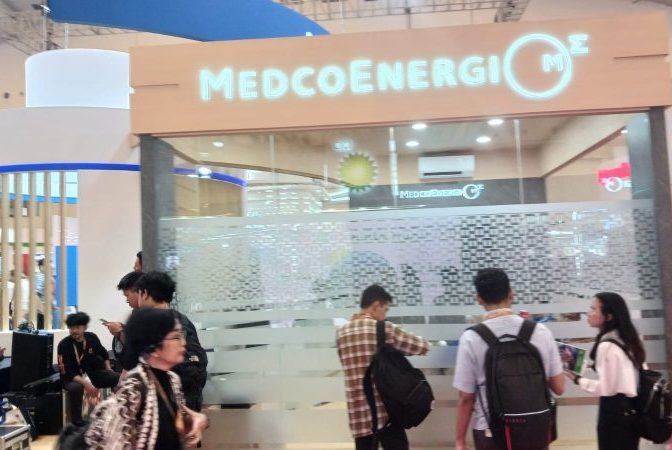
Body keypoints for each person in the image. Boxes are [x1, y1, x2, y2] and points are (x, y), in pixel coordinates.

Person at [453, 268, 565, 450]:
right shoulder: (541, 332)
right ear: (511, 293)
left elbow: (466, 398)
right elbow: (559, 387)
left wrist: (460, 441)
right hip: (536, 428)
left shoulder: (471, 338)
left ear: (479, 298)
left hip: (491, 431)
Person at [85, 307, 208, 449]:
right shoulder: (134, 388)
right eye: (176, 337)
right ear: (153, 347)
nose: (184, 342)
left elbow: (173, 422)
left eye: (182, 335)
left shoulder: (171, 379)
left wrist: (199, 419)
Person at [336, 284, 429, 450]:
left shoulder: (341, 333)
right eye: (385, 310)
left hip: (359, 419)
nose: (385, 315)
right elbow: (421, 346)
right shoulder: (383, 328)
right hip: (386, 415)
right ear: (376, 305)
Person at [564, 292, 645, 450]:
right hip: (632, 409)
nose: (588, 312)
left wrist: (578, 379)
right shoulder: (630, 339)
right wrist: (587, 366)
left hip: (614, 412)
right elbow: (625, 372)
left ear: (608, 316)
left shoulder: (607, 345)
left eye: (593, 308)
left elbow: (605, 388)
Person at [126, 271, 208, 411]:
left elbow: (130, 360)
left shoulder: (150, 322)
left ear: (144, 294)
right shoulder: (182, 319)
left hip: (164, 397)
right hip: (191, 395)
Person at [57, 312, 120, 426]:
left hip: (92, 373)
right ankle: (77, 421)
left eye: (77, 327)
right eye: (71, 328)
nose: (74, 331)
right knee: (76, 387)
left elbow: (104, 354)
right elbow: (67, 371)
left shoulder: (92, 337)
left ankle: (117, 411)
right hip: (73, 378)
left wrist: (109, 369)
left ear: (85, 327)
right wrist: (86, 384)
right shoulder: (64, 345)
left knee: (117, 378)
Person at [104, 271, 144, 365]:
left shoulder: (150, 318)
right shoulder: (136, 313)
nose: (127, 300)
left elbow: (137, 351)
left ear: (140, 292)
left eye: (127, 295)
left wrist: (120, 332)